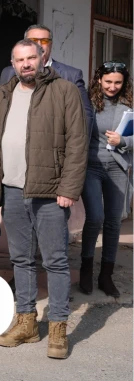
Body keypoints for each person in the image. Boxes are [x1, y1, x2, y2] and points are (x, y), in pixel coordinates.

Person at [0, 40, 87, 359]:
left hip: (50, 191)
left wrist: (69, 188)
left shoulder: (64, 91)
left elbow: (77, 143)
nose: (26, 64)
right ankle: (27, 322)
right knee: (21, 259)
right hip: (12, 189)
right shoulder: (4, 94)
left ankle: (58, 327)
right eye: (20, 60)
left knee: (55, 261)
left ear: (43, 57)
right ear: (13, 63)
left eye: (32, 57)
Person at [80, 62, 133, 298]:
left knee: (113, 221)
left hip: (118, 167)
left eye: (118, 82)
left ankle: (106, 275)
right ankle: (86, 268)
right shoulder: (88, 103)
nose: (112, 87)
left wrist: (123, 141)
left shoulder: (129, 105)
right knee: (95, 217)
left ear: (124, 83)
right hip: (91, 167)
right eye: (108, 81)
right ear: (99, 80)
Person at [0, 24, 94, 134]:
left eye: (44, 41)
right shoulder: (9, 73)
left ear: (51, 44)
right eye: (33, 40)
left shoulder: (71, 75)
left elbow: (85, 116)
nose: (39, 45)